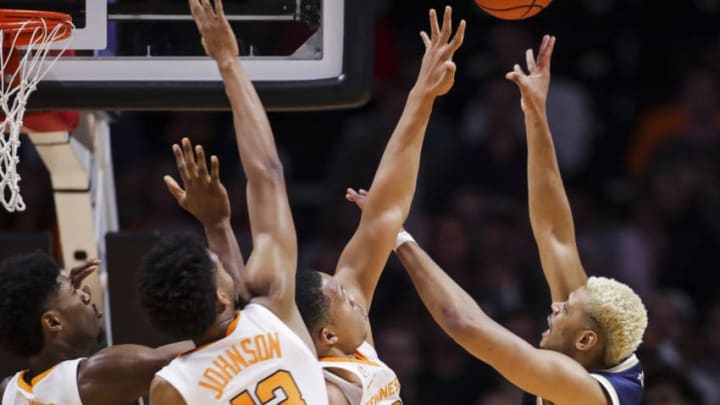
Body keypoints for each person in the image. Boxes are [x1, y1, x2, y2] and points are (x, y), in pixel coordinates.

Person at [347, 35, 648, 405]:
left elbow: (466, 325)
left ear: (586, 341)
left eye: (566, 309)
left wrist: (400, 239)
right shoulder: (601, 341)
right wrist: (535, 114)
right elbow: (554, 234)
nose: (556, 305)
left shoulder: (583, 390)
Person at [139, 0, 328, 403]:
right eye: (216, 263)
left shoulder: (171, 387)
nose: (221, 261)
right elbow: (268, 174)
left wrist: (217, 226)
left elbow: (238, 309)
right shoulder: (274, 307)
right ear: (221, 297)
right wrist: (228, 61)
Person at [293, 6, 465, 405]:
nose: (357, 297)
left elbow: (385, 214)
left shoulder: (353, 345)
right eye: (348, 300)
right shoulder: (326, 392)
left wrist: (421, 97)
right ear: (327, 336)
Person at [0, 254, 193, 405]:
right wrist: (216, 225)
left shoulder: (9, 391)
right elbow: (202, 349)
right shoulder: (97, 374)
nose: (86, 295)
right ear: (52, 322)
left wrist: (62, 289)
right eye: (75, 292)